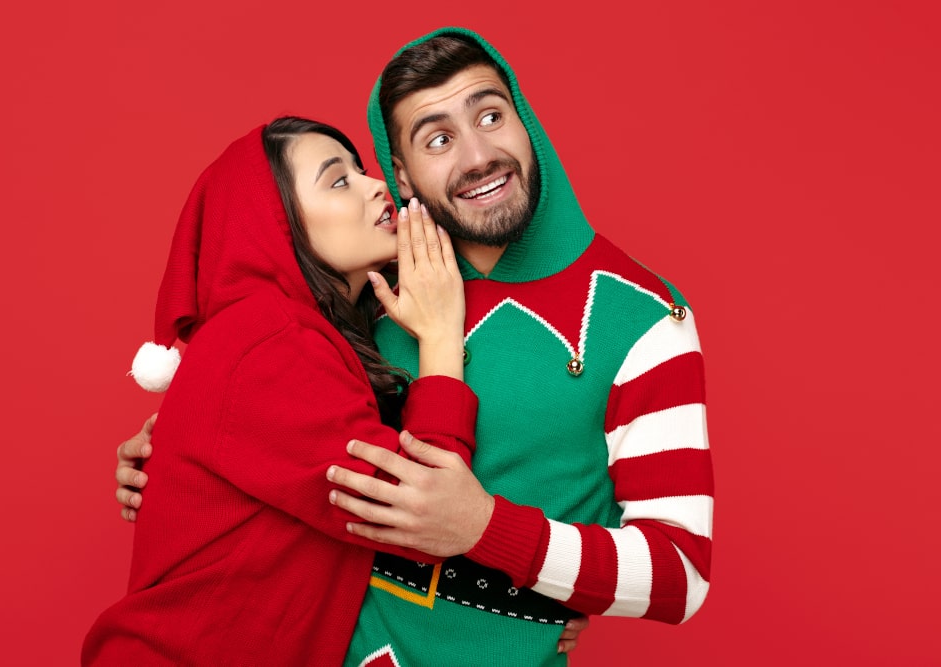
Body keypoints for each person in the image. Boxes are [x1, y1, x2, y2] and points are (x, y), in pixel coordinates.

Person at [118, 27, 712, 666]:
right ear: (401, 172)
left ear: (525, 122)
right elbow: (272, 430)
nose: (478, 156)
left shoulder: (641, 316)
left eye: (490, 116)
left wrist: (500, 542)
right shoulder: (371, 292)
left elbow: (680, 575)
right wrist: (174, 459)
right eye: (438, 140)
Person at [83, 116, 484, 665]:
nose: (375, 186)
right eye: (338, 180)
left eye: (362, 170)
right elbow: (425, 515)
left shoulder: (291, 339)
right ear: (275, 226)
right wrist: (440, 335)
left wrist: (537, 602)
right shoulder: (266, 340)